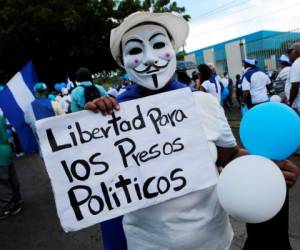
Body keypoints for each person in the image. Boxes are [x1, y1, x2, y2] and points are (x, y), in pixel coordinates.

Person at [85, 11, 299, 250]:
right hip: (145, 244)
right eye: (135, 50)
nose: (149, 58)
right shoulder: (113, 115)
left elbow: (228, 157)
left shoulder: (203, 102)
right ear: (122, 60)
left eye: (158, 44)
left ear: (172, 49)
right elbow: (96, 180)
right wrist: (91, 127)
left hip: (212, 240)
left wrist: (269, 168)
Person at [0, 112, 23, 219]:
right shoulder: (0, 116)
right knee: (12, 177)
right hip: (6, 149)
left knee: (3, 182)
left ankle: (7, 207)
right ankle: (17, 199)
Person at [287, 42, 300, 156]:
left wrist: (290, 102)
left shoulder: (297, 63)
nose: (288, 56)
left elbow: (295, 86)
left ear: (296, 52)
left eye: (289, 52)